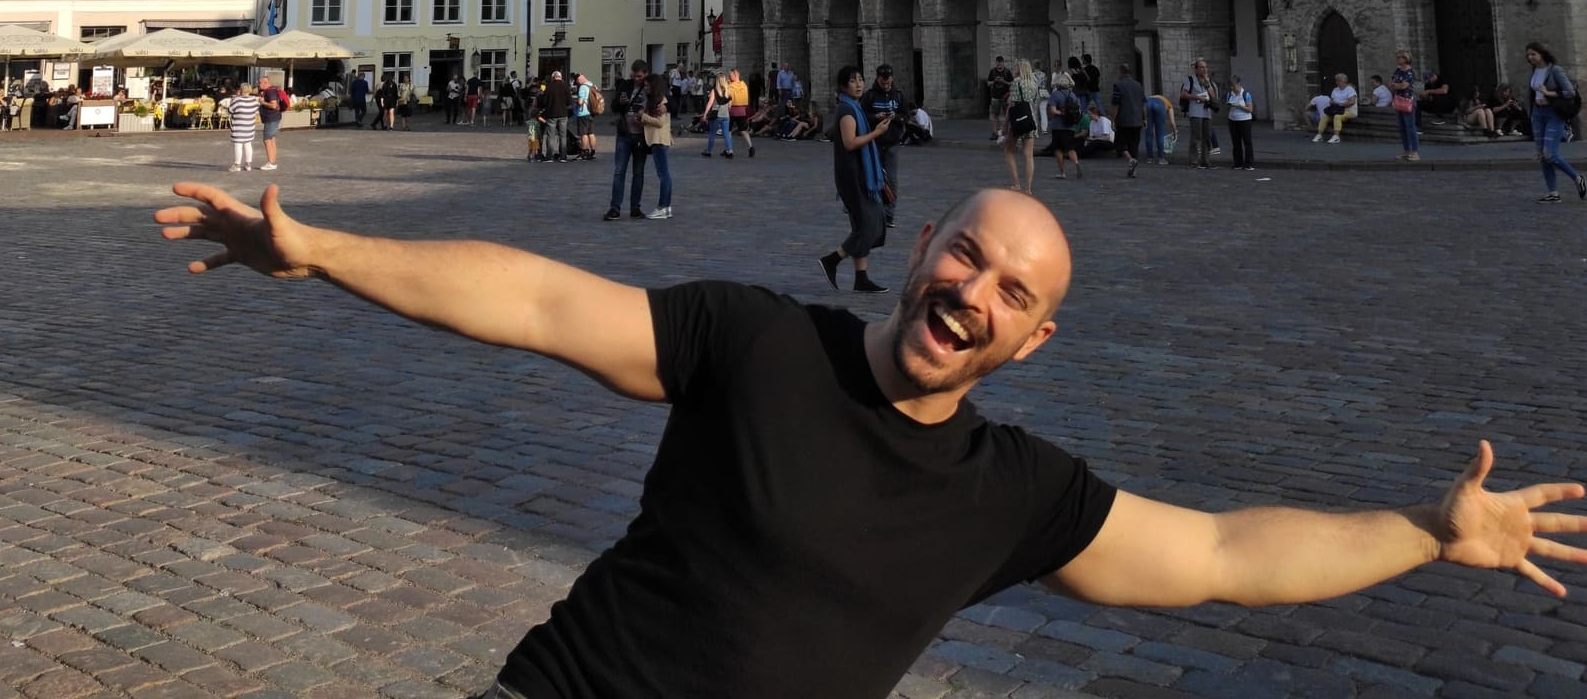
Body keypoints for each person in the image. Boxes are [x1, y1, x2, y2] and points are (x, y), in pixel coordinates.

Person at [155, 181, 1587, 699]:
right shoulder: (752, 339)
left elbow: (1217, 553)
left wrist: (1424, 531)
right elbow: (536, 297)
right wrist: (321, 252)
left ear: (1033, 344)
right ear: (918, 251)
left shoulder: (1009, 495)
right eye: (964, 257)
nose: (971, 291)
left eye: (1010, 294)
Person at [818, 66, 890, 294]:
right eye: (852, 81)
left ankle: (861, 278)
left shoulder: (854, 108)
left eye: (860, 79)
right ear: (842, 86)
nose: (858, 84)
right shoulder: (847, 111)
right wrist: (876, 133)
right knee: (869, 225)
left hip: (859, 174)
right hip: (853, 176)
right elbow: (850, 143)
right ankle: (832, 259)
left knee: (866, 223)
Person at [1524, 42, 1585, 206]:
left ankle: (1577, 178)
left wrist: (1548, 92)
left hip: (1553, 114)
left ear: (1541, 54)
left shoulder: (1554, 70)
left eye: (1533, 54)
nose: (1530, 58)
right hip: (1537, 114)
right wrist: (1530, 114)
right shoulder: (1534, 70)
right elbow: (1530, 93)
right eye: (1528, 55)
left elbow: (1570, 91)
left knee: (1549, 153)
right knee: (1543, 156)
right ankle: (1553, 193)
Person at [604, 60, 651, 220]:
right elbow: (613, 106)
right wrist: (620, 102)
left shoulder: (649, 87)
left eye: (639, 76)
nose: (636, 79)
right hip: (624, 134)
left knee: (638, 173)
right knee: (619, 171)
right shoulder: (625, 85)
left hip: (641, 135)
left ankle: (635, 208)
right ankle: (615, 208)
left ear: (645, 74)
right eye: (634, 75)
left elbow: (667, 103)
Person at [864, 64, 907, 218]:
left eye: (888, 82)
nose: (886, 85)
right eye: (883, 83)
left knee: (892, 178)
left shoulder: (899, 95)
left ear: (892, 78)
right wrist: (875, 117)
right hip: (874, 142)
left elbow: (906, 116)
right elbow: (862, 116)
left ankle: (889, 213)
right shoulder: (870, 96)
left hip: (892, 143)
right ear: (878, 79)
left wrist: (895, 117)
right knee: (874, 177)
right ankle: (875, 210)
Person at [1001, 58, 1043, 195]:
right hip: (1030, 120)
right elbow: (1035, 101)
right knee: (1029, 155)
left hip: (1017, 121)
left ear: (1021, 69)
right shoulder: (1034, 83)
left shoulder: (1015, 83)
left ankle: (1016, 183)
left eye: (1016, 66)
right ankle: (1028, 188)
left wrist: (1005, 124)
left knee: (1009, 150)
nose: (1014, 68)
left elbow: (1011, 106)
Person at [640, 74, 674, 219]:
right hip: (659, 139)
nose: (645, 88)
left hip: (659, 140)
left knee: (663, 175)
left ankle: (662, 206)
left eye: (647, 85)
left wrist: (643, 116)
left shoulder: (661, 101)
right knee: (664, 175)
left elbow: (659, 122)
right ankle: (666, 207)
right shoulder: (655, 100)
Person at [1046, 70, 1084, 182]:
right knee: (1070, 148)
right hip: (1070, 126)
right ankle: (1076, 163)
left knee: (1058, 149)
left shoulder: (1055, 95)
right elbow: (1079, 110)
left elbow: (1053, 111)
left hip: (1058, 126)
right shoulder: (1073, 95)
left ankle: (1062, 172)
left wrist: (1062, 113)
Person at [1109, 64, 1145, 180]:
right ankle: (1133, 171)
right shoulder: (1139, 85)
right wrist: (1144, 118)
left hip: (1124, 120)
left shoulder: (1118, 86)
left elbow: (1116, 105)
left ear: (1121, 73)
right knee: (1134, 147)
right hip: (1137, 120)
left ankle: (1130, 160)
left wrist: (1113, 119)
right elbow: (1143, 103)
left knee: (1120, 145)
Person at [1179, 61, 1218, 170]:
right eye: (1201, 67)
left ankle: (1205, 161)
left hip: (1207, 113)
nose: (1204, 69)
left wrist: (1207, 83)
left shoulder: (1208, 81)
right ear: (1196, 69)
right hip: (1195, 112)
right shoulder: (1190, 80)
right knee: (1196, 137)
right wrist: (1196, 97)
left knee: (1207, 137)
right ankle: (1194, 161)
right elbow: (1183, 94)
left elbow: (1213, 97)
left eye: (1205, 67)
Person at [1389, 51, 1422, 162]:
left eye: (1399, 57)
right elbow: (1391, 83)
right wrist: (1397, 85)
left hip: (1408, 101)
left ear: (1406, 58)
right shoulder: (1398, 70)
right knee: (1402, 127)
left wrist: (1397, 85)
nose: (1397, 59)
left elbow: (1404, 86)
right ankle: (1407, 151)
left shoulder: (1410, 72)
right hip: (1398, 100)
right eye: (1397, 57)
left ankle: (1415, 152)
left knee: (1410, 127)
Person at [223, 85, 260, 173]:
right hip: (249, 126)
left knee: (238, 145)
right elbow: (256, 111)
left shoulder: (237, 100)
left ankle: (237, 165)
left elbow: (230, 111)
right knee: (248, 144)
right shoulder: (254, 100)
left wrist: (232, 101)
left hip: (238, 127)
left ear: (240, 90)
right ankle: (248, 165)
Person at [256, 76, 290, 172]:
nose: (259, 85)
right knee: (272, 139)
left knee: (267, 140)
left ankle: (271, 162)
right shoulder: (272, 90)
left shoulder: (270, 91)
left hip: (271, 118)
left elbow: (273, 105)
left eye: (260, 83)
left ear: (266, 82)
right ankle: (273, 161)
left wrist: (263, 102)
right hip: (274, 117)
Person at [1315, 75, 1359, 144]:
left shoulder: (1350, 89)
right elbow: (1331, 101)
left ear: (1343, 81)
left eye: (1338, 81)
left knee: (1337, 116)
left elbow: (1352, 102)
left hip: (1349, 111)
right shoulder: (1335, 90)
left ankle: (1336, 137)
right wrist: (1333, 103)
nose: (1336, 82)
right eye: (1336, 80)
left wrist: (1339, 104)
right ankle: (1319, 135)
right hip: (1337, 110)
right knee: (1325, 116)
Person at [1224, 76, 1255, 170]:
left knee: (1247, 142)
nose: (1232, 88)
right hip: (1232, 120)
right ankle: (1238, 163)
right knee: (1236, 142)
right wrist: (1229, 105)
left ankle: (1248, 163)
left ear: (1238, 84)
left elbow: (1250, 109)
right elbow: (1227, 106)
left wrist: (1239, 106)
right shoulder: (1230, 94)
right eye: (1231, 86)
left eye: (1233, 86)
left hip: (1245, 120)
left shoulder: (1246, 94)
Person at [701, 68, 734, 157]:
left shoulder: (714, 91)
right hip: (726, 115)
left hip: (716, 114)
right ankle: (729, 150)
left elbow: (710, 103)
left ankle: (709, 150)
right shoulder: (728, 91)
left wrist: (705, 114)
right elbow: (730, 105)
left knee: (712, 133)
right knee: (726, 133)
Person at [542, 72, 572, 162]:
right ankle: (563, 157)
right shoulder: (566, 87)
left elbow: (544, 102)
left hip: (551, 114)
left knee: (551, 136)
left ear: (553, 77)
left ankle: (549, 157)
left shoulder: (549, 87)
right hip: (563, 114)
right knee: (563, 136)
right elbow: (569, 102)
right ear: (560, 77)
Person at [727, 67, 755, 158]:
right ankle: (750, 146)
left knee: (728, 130)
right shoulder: (744, 85)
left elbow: (729, 99)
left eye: (730, 75)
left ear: (735, 75)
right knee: (743, 130)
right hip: (742, 110)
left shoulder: (731, 86)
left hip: (732, 110)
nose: (729, 77)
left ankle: (730, 150)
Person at [986, 56, 1013, 143]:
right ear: (996, 63)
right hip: (995, 96)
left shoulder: (1007, 71)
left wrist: (1004, 81)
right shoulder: (992, 71)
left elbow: (1012, 83)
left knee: (1006, 115)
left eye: (1000, 63)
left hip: (1005, 96)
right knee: (995, 115)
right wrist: (994, 81)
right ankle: (995, 133)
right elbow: (988, 83)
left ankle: (1005, 133)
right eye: (998, 63)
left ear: (1003, 63)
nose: (999, 64)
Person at [1143, 90, 1173, 166]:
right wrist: (1175, 131)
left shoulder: (1150, 98)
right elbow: (1172, 122)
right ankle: (1161, 158)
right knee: (1160, 134)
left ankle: (1150, 158)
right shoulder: (1168, 104)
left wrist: (1145, 119)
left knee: (1148, 133)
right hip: (1159, 106)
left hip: (1147, 104)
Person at [574, 69, 599, 160]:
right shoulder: (592, 85)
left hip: (583, 112)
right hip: (591, 112)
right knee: (591, 133)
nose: (577, 83)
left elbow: (580, 102)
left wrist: (576, 101)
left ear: (579, 80)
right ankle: (593, 152)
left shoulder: (582, 87)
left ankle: (583, 152)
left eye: (577, 82)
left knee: (583, 134)